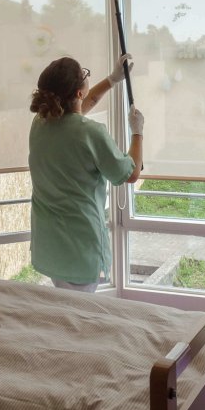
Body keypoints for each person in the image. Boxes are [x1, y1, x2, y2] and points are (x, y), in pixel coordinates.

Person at [28, 54, 144, 293]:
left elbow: (78, 109)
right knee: (77, 317)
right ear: (78, 92)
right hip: (80, 247)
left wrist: (112, 80)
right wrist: (137, 133)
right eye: (85, 75)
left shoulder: (40, 124)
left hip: (50, 245)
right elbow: (130, 173)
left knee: (65, 309)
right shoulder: (91, 133)